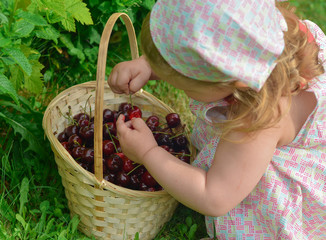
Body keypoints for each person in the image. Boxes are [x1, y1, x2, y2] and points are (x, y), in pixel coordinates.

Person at [108, 0, 326, 238]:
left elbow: (214, 196)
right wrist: (149, 64)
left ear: (232, 80)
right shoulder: (263, 37)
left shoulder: (257, 121)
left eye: (179, 79)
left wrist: (149, 153)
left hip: (248, 172)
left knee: (242, 191)